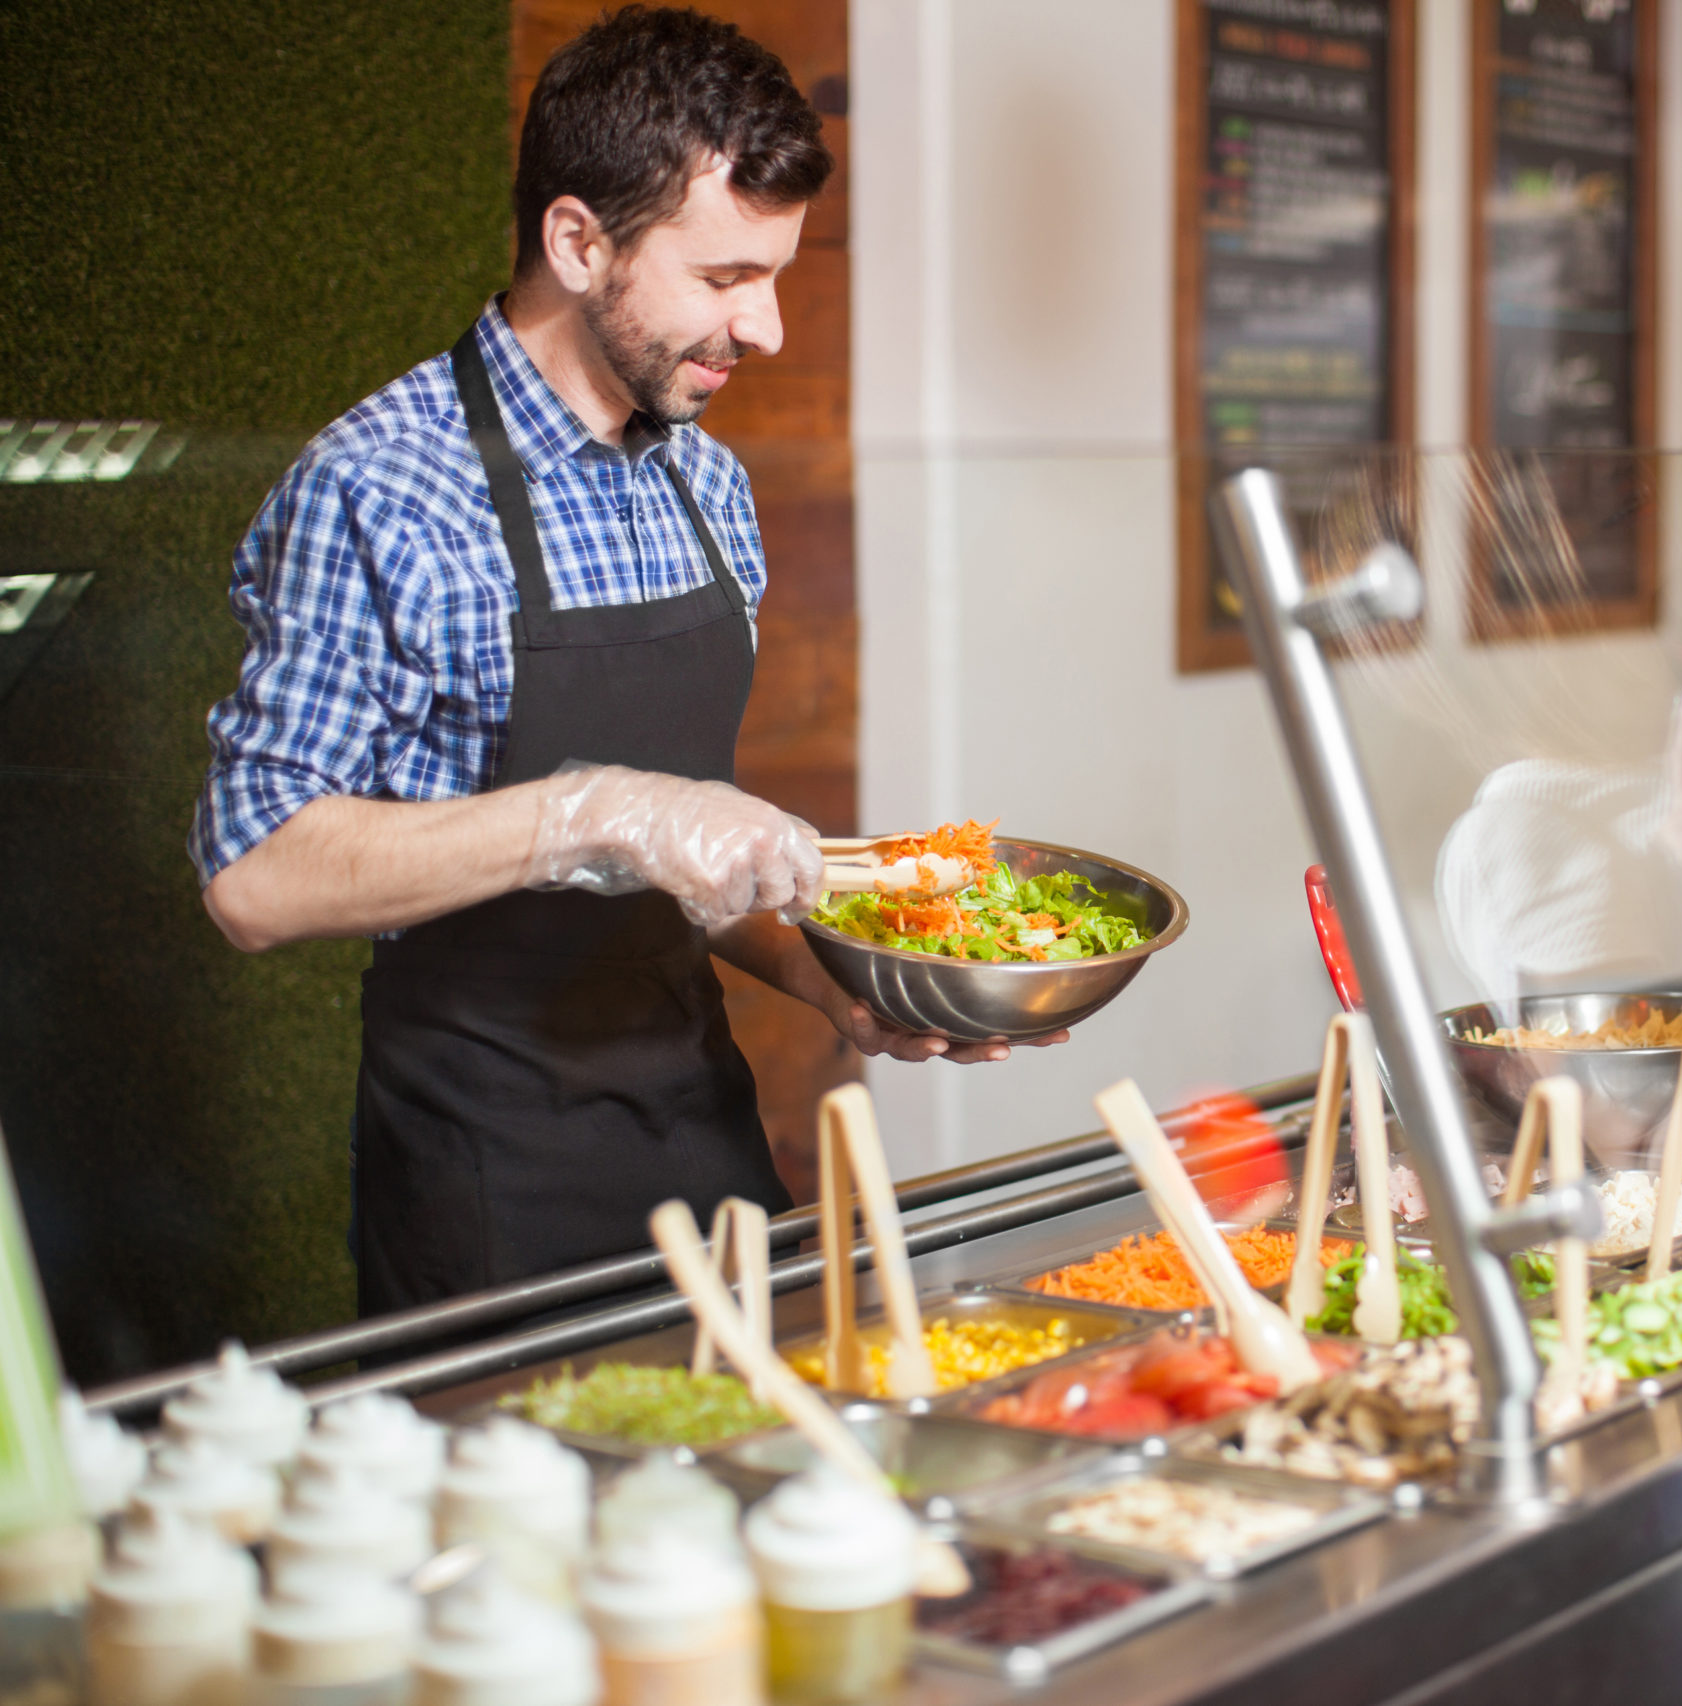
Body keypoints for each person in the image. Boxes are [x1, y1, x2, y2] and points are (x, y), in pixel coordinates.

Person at [189, 7, 1053, 1318]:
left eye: (777, 274)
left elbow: (687, 862)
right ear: (578, 241)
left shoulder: (706, 483)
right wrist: (592, 811)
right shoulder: (380, 491)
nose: (764, 328)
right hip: (485, 1180)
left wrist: (838, 978)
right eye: (723, 279)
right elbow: (253, 871)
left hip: (701, 1141)